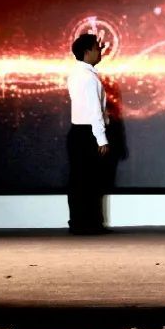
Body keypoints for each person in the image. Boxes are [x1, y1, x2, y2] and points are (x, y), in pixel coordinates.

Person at [66, 33, 110, 235]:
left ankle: (79, 222)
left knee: (78, 180)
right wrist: (102, 139)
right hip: (88, 133)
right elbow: (95, 112)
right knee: (91, 180)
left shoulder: (75, 73)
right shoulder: (88, 78)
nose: (100, 51)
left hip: (77, 132)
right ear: (87, 51)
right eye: (97, 48)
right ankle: (90, 224)